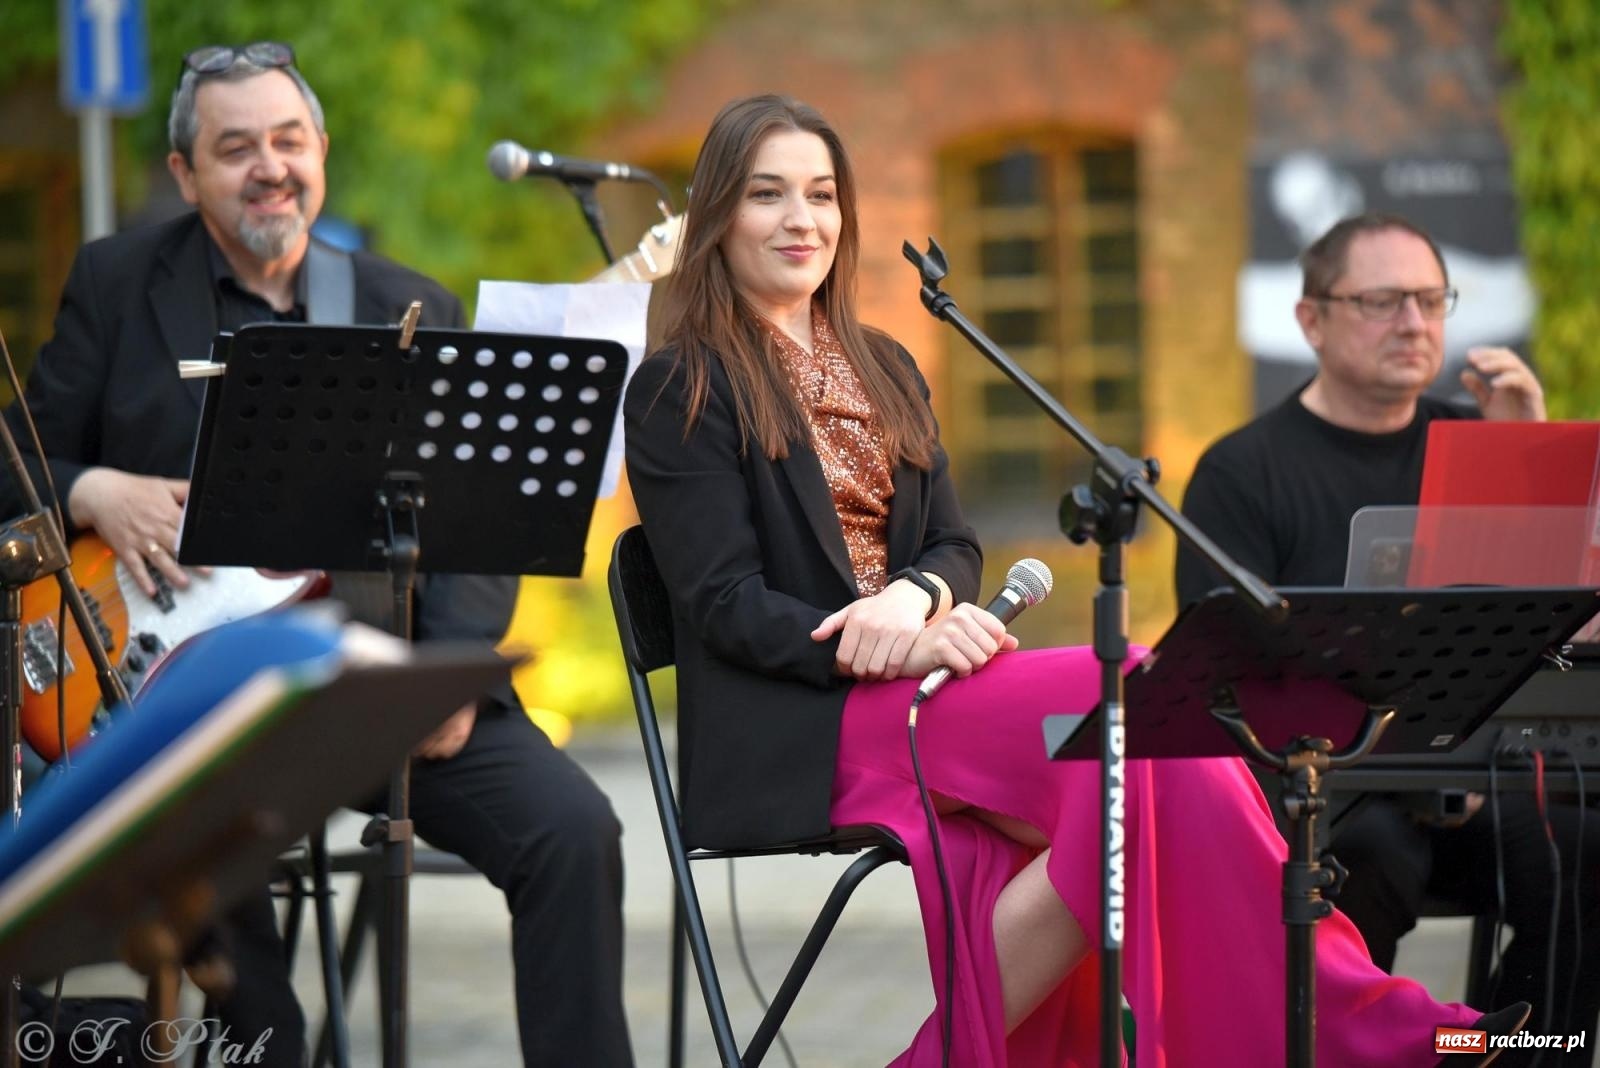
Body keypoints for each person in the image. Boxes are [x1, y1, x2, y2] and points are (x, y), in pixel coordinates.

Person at [624, 93, 1527, 1066]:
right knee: (1131, 695)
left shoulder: (881, 363)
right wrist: (890, 636)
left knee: (1136, 788)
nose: (802, 220)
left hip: (923, 692)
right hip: (804, 724)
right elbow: (723, 605)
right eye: (768, 196)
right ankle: (1393, 1033)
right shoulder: (683, 384)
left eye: (820, 194)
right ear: (718, 214)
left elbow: (953, 545)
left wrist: (919, 598)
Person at [2, 43, 631, 1067]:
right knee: (211, 859)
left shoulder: (401, 301)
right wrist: (92, 490)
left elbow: (479, 526)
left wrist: (444, 674)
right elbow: (12, 461)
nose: (269, 167)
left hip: (377, 676)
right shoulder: (119, 285)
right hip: (191, 699)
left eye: (288, 141)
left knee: (572, 832)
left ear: (321, 153)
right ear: (183, 174)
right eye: (235, 146)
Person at [1178, 212, 1600, 1065]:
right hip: (1336, 796)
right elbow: (1229, 677)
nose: (1414, 323)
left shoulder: (1479, 435)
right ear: (1312, 319)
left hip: (1482, 782)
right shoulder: (1240, 472)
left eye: (1430, 300)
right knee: (1365, 864)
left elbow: (1556, 630)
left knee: (1584, 849)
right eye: (1381, 301)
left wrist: (1528, 451)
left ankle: (1503, 1050)